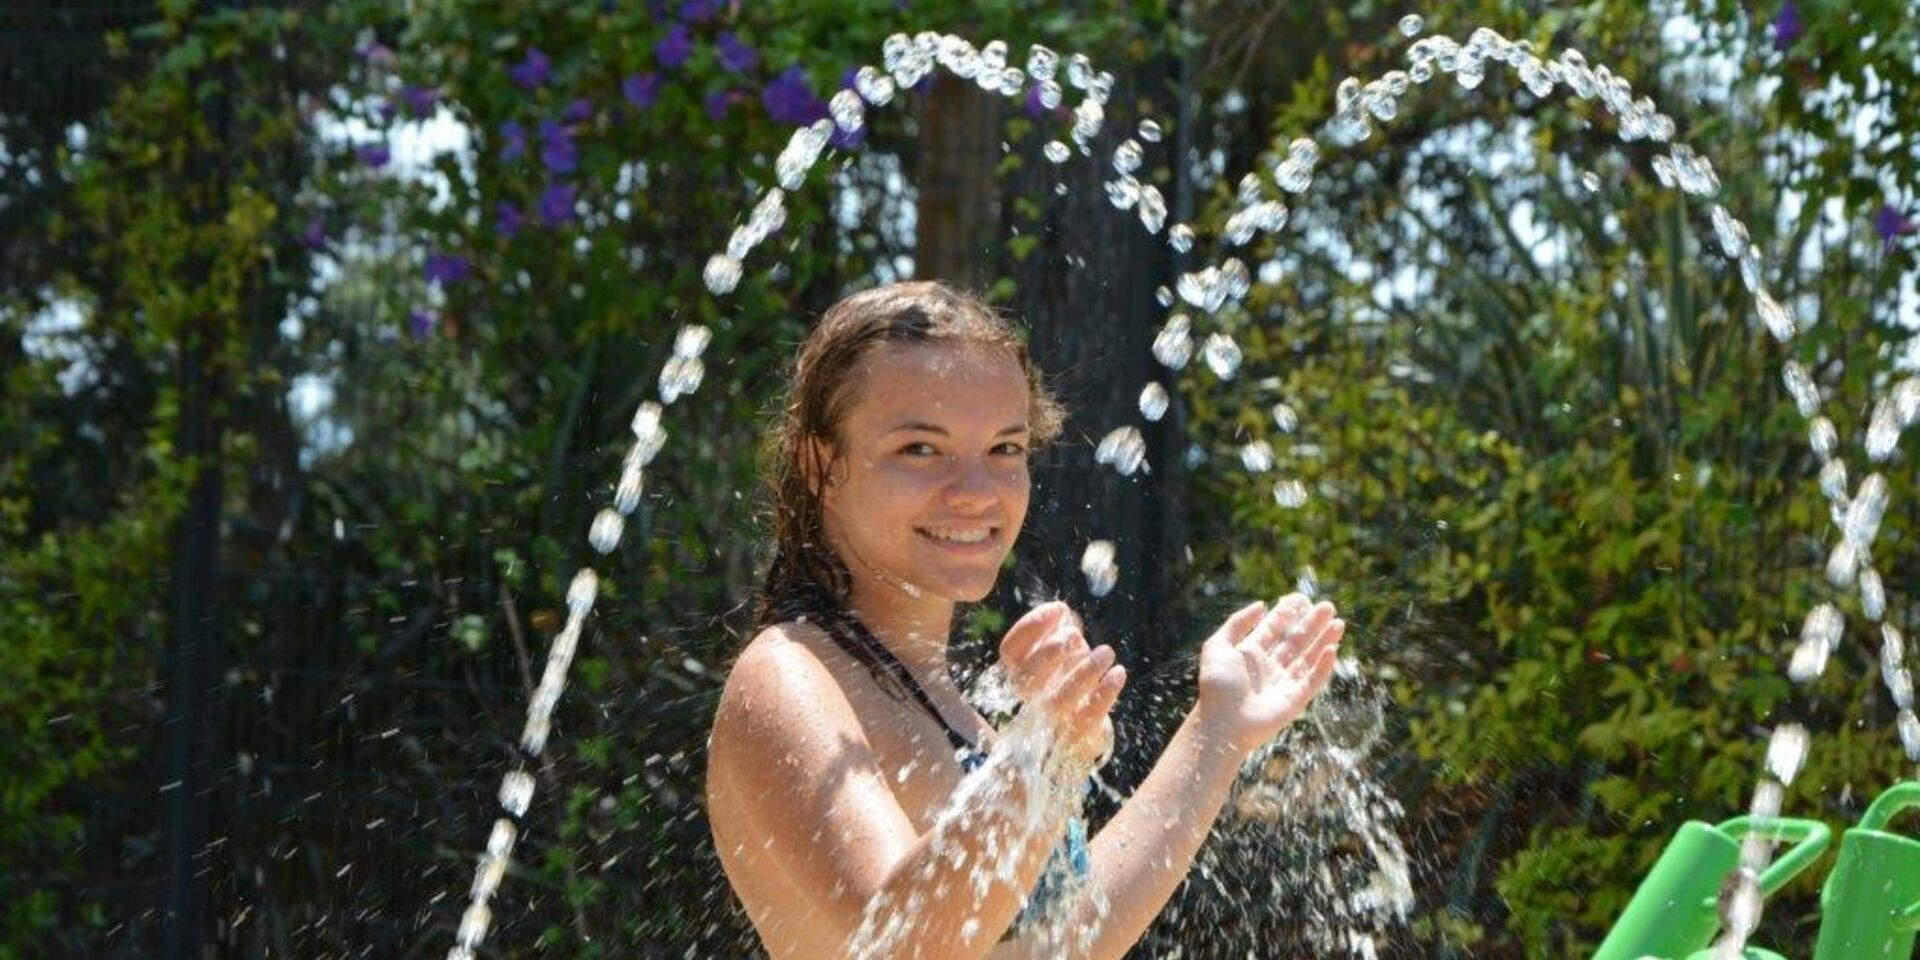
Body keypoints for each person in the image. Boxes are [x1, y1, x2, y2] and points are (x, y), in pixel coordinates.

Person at [705, 281, 1344, 959]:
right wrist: (1040, 755)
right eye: (922, 448)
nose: (977, 491)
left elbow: (1068, 946)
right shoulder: (790, 675)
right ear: (821, 464)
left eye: (1005, 449)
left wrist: (1215, 731)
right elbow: (899, 945)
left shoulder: (947, 704)